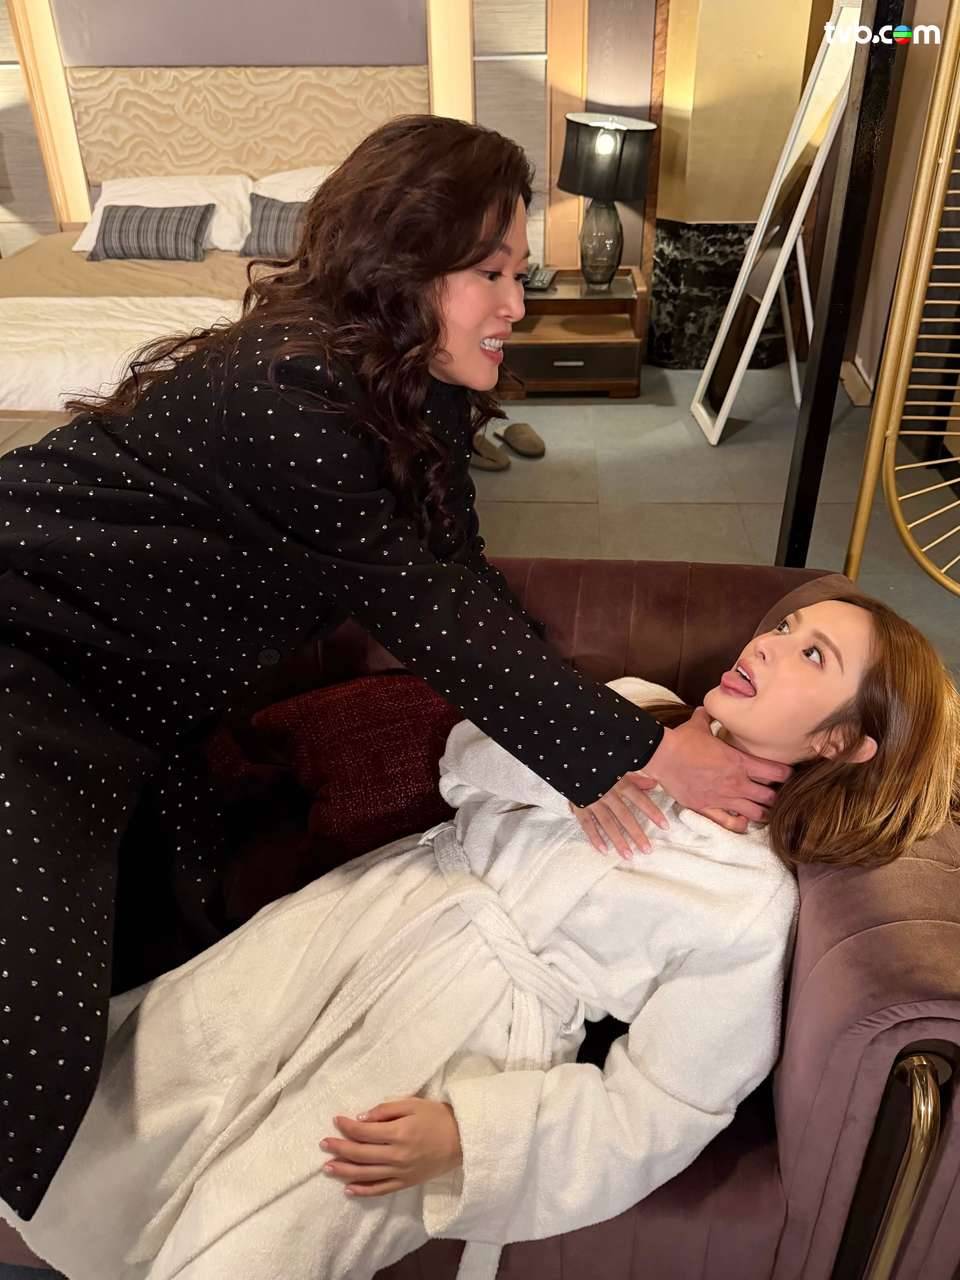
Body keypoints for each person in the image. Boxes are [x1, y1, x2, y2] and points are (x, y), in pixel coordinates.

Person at [0, 114, 793, 1216]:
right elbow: (425, 610)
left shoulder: (415, 390)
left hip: (129, 693)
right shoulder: (290, 392)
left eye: (520, 273)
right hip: (29, 651)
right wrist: (646, 754)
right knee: (31, 1027)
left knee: (160, 943)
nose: (518, 305)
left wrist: (594, 743)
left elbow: (456, 572)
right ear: (402, 267)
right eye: (490, 274)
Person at [5, 593, 958, 1280]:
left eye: (813, 657)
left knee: (262, 1235)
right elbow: (464, 762)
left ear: (839, 743)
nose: (771, 644)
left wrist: (472, 1139)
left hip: (462, 1036)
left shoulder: (749, 899)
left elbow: (666, 1104)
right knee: (132, 1093)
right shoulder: (632, 707)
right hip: (360, 919)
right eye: (786, 627)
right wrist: (596, 766)